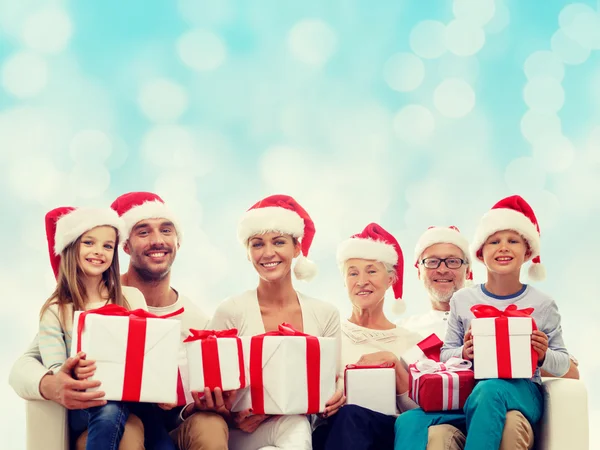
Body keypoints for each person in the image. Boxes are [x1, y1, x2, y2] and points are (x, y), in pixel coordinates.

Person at [394, 195, 571, 450]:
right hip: (470, 393)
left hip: (524, 392)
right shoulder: (463, 300)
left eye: (513, 241)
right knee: (410, 420)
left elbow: (564, 363)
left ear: (527, 251)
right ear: (480, 252)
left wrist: (542, 356)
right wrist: (464, 353)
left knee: (490, 390)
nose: (503, 248)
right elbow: (446, 353)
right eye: (494, 242)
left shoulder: (542, 303)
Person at [209, 194, 343, 450]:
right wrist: (233, 419)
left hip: (306, 432)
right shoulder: (231, 311)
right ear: (248, 253)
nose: (268, 253)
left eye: (279, 242)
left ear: (297, 248)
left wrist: (337, 397)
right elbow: (209, 386)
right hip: (243, 433)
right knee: (294, 426)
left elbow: (334, 382)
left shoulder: (325, 314)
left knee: (294, 426)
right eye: (257, 244)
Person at [39, 206, 151, 449]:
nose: (99, 252)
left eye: (107, 246)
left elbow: (149, 350)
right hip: (87, 403)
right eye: (89, 242)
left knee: (159, 436)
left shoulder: (132, 298)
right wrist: (73, 371)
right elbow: (57, 370)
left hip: (134, 399)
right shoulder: (56, 311)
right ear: (71, 247)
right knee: (109, 408)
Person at [312, 223, 423, 450]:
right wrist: (323, 403)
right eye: (353, 273)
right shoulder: (327, 334)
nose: (362, 281)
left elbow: (417, 412)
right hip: (331, 432)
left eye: (372, 271)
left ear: (390, 279)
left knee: (352, 415)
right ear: (345, 282)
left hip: (387, 435)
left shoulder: (411, 341)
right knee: (344, 417)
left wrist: (395, 365)